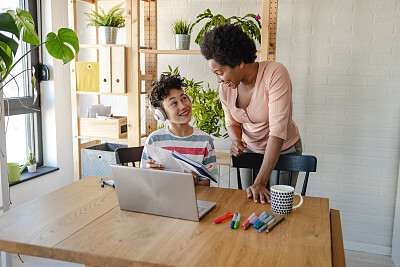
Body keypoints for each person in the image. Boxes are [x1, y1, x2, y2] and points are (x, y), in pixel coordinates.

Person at [200, 24, 302, 203]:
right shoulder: (226, 88)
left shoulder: (275, 73)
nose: (219, 80)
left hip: (284, 150)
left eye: (220, 72)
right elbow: (232, 122)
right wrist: (236, 141)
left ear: (239, 62)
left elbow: (278, 131)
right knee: (248, 203)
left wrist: (261, 181)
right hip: (251, 151)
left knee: (277, 206)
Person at [140, 73, 217, 186]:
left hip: (194, 200)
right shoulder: (154, 140)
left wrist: (195, 182)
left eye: (184, 98)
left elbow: (209, 183)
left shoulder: (205, 140)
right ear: (161, 114)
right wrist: (151, 173)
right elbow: (143, 179)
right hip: (163, 199)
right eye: (174, 103)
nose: (183, 106)